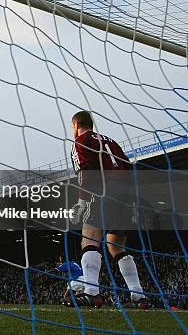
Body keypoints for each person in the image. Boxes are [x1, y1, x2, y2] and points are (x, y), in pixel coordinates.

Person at [66, 111, 149, 309]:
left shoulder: (81, 142)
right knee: (115, 245)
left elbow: (86, 172)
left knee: (89, 237)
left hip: (104, 192)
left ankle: (91, 292)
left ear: (76, 125)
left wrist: (82, 203)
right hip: (126, 195)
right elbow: (129, 168)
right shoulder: (111, 141)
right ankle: (139, 297)